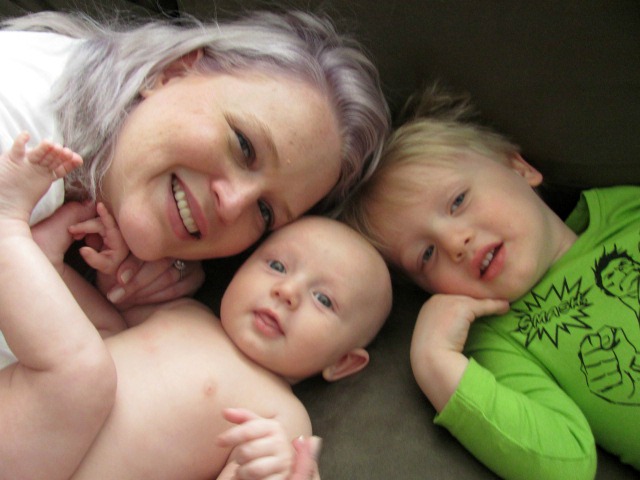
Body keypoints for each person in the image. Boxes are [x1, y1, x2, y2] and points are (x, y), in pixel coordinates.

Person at [1, 129, 393, 479]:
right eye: (276, 266)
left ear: (343, 362)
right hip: (26, 432)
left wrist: (270, 469)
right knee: (96, 350)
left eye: (323, 300)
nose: (287, 292)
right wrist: (107, 266)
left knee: (84, 368)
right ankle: (41, 261)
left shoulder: (283, 419)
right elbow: (111, 313)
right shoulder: (186, 310)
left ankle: (8, 230)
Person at [340, 85, 640, 479]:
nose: (455, 243)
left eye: (458, 201)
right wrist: (435, 361)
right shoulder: (500, 338)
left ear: (519, 168)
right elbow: (567, 466)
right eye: (426, 255)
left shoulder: (626, 210)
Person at [0, 8, 390, 306]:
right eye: (244, 146)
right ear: (172, 73)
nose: (233, 205)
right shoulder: (17, 130)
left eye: (265, 212)